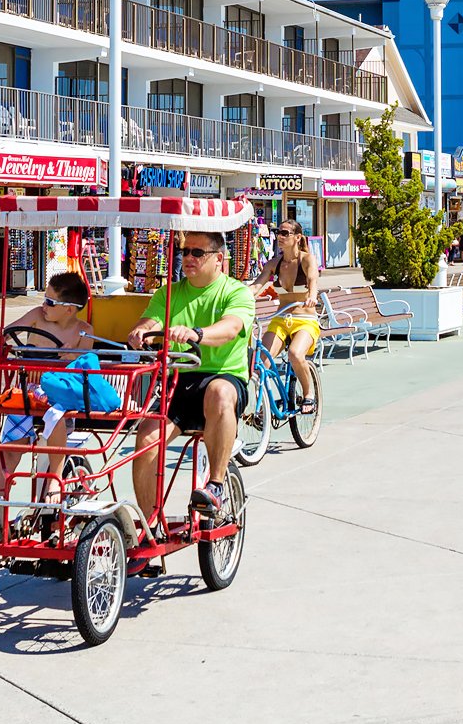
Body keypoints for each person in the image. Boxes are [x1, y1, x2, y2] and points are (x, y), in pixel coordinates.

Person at [126, 230, 258, 528]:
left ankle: (216, 484)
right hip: (178, 381)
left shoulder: (236, 292)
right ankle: (149, 527)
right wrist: (141, 331)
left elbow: (231, 327)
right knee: (146, 436)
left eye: (197, 253)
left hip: (223, 376)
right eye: (185, 251)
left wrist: (198, 333)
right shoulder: (168, 293)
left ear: (219, 259)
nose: (188, 258)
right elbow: (152, 319)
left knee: (219, 393)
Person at [0, 272, 92, 515]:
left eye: (50, 301)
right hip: (28, 391)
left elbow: (80, 367)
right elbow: (8, 331)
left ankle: (54, 478)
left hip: (59, 393)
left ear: (69, 309)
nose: (44, 305)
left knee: (57, 416)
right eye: (44, 299)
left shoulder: (84, 331)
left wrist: (68, 358)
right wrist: (0, 334)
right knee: (10, 443)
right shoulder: (38, 317)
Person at [249, 218, 322, 413]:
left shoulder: (307, 259)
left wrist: (312, 296)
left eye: (285, 233)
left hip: (305, 320)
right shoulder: (274, 263)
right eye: (278, 232)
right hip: (281, 320)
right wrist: (236, 296)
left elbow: (313, 279)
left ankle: (309, 395)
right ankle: (263, 405)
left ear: (298, 237)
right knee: (259, 363)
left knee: (295, 354)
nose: (279, 237)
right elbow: (256, 286)